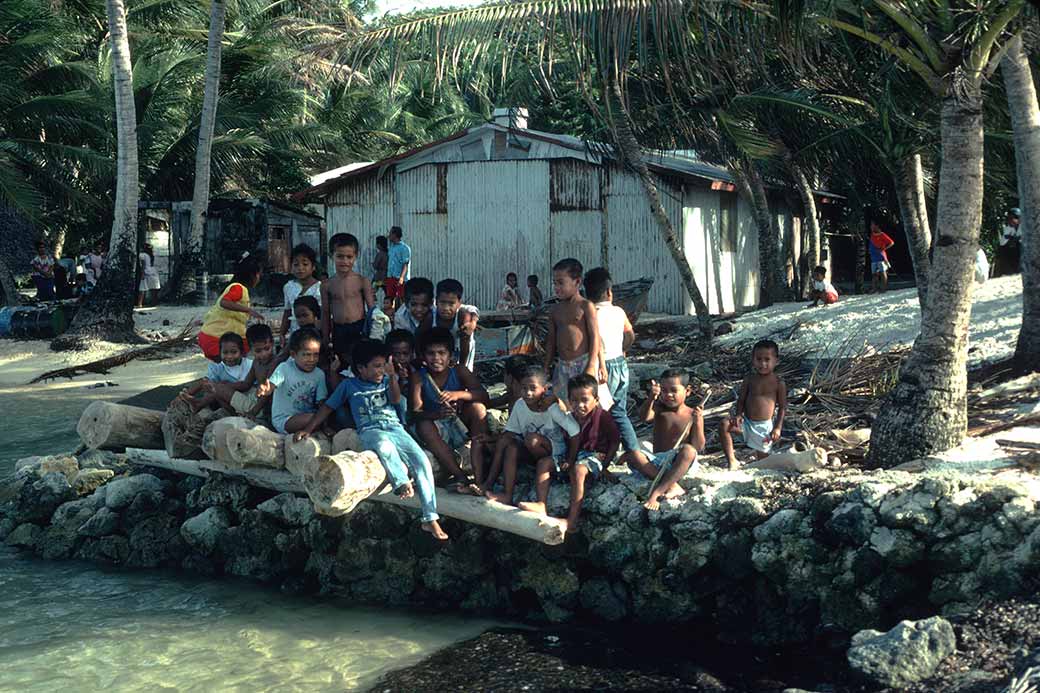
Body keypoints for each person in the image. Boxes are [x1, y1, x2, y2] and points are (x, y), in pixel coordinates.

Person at [295, 339, 447, 540]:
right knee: (384, 448)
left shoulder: (386, 380)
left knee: (422, 461)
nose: (381, 370)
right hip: (370, 430)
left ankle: (430, 517)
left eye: (384, 365)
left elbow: (394, 400)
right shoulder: (349, 385)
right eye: (376, 366)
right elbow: (327, 407)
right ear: (360, 368)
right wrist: (308, 429)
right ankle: (400, 482)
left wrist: (392, 377)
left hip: (395, 428)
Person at [518, 373, 619, 531]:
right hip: (572, 455)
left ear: (596, 400)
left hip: (595, 455)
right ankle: (541, 504)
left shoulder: (603, 417)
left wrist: (604, 466)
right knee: (544, 463)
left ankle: (571, 521)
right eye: (574, 401)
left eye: (585, 400)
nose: (579, 405)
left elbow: (615, 441)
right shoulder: (570, 417)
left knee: (578, 470)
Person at [484, 363, 579, 505]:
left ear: (544, 389)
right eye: (524, 388)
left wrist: (570, 460)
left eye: (533, 388)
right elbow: (510, 432)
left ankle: (543, 477)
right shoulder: (520, 405)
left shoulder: (551, 407)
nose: (528, 393)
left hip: (555, 452)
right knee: (510, 446)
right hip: (532, 450)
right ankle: (503, 492)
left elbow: (575, 431)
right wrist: (491, 439)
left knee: (531, 439)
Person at [410, 327, 490, 494]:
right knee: (423, 425)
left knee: (478, 408)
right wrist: (437, 414)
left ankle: (480, 477)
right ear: (424, 357)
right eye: (431, 353)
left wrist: (458, 394)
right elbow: (415, 413)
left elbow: (484, 395)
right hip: (436, 428)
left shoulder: (459, 371)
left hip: (459, 424)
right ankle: (460, 476)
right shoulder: (419, 377)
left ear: (450, 356)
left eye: (441, 353)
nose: (436, 358)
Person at [620, 369, 705, 510]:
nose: (668, 395)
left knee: (689, 450)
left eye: (673, 390)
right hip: (658, 460)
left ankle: (658, 491)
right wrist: (651, 398)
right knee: (633, 454)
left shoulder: (692, 414)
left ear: (687, 391)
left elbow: (699, 446)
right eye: (664, 391)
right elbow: (644, 417)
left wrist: (698, 422)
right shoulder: (659, 408)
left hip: (680, 462)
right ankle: (673, 485)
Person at [584, 267, 638, 455]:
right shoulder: (618, 311)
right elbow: (630, 335)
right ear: (609, 292)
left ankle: (607, 450)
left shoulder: (591, 315)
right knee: (619, 411)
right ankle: (633, 450)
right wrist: (623, 349)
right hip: (620, 364)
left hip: (602, 367)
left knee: (600, 413)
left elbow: (593, 342)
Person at [720, 339, 787, 470]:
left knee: (763, 463)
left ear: (776, 361)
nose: (762, 363)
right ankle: (732, 460)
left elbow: (783, 407)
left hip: (764, 427)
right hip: (746, 423)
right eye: (758, 359)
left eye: (767, 359)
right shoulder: (749, 379)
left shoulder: (779, 383)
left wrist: (777, 428)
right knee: (724, 424)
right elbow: (741, 399)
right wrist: (739, 415)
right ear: (753, 360)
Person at [544, 258, 602, 398]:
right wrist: (546, 366)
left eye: (561, 283)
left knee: (586, 403)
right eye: (554, 283)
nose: (557, 287)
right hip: (563, 366)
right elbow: (551, 341)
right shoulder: (554, 310)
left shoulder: (585, 306)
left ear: (577, 282)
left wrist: (592, 365)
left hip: (583, 363)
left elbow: (595, 337)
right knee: (564, 404)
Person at [259, 327, 327, 435]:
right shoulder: (284, 368)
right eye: (306, 355)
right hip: (285, 420)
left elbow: (321, 402)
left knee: (322, 416)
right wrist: (267, 389)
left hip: (307, 416)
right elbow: (272, 385)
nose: (312, 360)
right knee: (314, 418)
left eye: (316, 355)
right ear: (293, 355)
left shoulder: (319, 374)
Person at [322, 233, 375, 370]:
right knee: (341, 366)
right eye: (340, 256)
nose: (344, 261)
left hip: (359, 329)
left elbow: (372, 311)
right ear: (331, 256)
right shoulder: (327, 285)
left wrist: (374, 334)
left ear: (355, 256)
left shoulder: (362, 281)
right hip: (339, 330)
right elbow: (326, 313)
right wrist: (325, 338)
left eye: (349, 257)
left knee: (361, 365)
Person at [198, 255, 265, 361]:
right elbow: (224, 303)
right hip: (215, 339)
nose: (259, 278)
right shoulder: (238, 288)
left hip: (210, 337)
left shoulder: (237, 288)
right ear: (253, 275)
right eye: (259, 275)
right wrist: (249, 310)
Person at [210, 323, 279, 423]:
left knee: (216, 388)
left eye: (267, 348)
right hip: (255, 399)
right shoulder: (256, 362)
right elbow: (246, 384)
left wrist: (253, 412)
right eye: (258, 351)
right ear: (251, 349)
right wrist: (226, 386)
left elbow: (267, 393)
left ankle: (237, 416)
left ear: (272, 344)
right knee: (220, 386)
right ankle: (233, 414)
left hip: (262, 409)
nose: (264, 354)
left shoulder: (275, 363)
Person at [179, 332, 255, 411]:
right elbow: (204, 382)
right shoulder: (217, 366)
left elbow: (248, 386)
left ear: (242, 352)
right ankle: (191, 401)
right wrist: (185, 394)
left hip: (243, 401)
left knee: (220, 385)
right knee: (210, 385)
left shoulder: (249, 365)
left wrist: (225, 386)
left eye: (234, 352)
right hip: (223, 403)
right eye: (225, 353)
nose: (229, 356)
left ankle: (199, 404)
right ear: (220, 352)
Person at [426, 278, 479, 370]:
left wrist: (461, 368)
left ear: (459, 303)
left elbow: (465, 346)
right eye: (442, 302)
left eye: (451, 304)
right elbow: (420, 338)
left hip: (461, 360)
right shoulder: (430, 317)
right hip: (438, 362)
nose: (446, 308)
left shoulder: (462, 317)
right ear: (436, 301)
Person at [280, 244, 322, 348]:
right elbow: (287, 312)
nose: (300, 268)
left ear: (313, 267)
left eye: (305, 264)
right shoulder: (288, 287)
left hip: (314, 335)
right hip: (295, 334)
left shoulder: (320, 288)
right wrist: (282, 333)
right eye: (296, 265)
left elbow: (323, 314)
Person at [384, 226, 411, 304]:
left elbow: (405, 264)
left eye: (390, 233)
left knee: (402, 298)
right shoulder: (391, 247)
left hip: (400, 278)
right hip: (390, 277)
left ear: (395, 235)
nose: (389, 236)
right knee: (390, 298)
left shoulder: (405, 248)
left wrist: (402, 277)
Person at [868, 221, 895, 293]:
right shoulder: (872, 235)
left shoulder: (882, 234)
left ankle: (883, 288)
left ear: (877, 226)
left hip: (881, 257)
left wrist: (884, 248)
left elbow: (891, 242)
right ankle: (874, 288)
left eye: (872, 225)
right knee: (874, 274)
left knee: (883, 273)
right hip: (873, 258)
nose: (871, 227)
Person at [995, 208, 1022, 277]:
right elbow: (1002, 243)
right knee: (1003, 249)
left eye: (1011, 218)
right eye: (1008, 218)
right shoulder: (1008, 228)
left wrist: (1015, 239)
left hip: (1023, 250)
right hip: (1014, 252)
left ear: (1018, 219)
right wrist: (1010, 239)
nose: (1009, 221)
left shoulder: (1024, 227)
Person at [137, 243, 161, 307]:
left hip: (146, 272)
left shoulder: (142, 255)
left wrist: (142, 273)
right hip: (152, 271)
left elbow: (143, 265)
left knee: (142, 288)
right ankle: (154, 302)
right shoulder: (150, 255)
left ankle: (140, 303)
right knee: (153, 288)